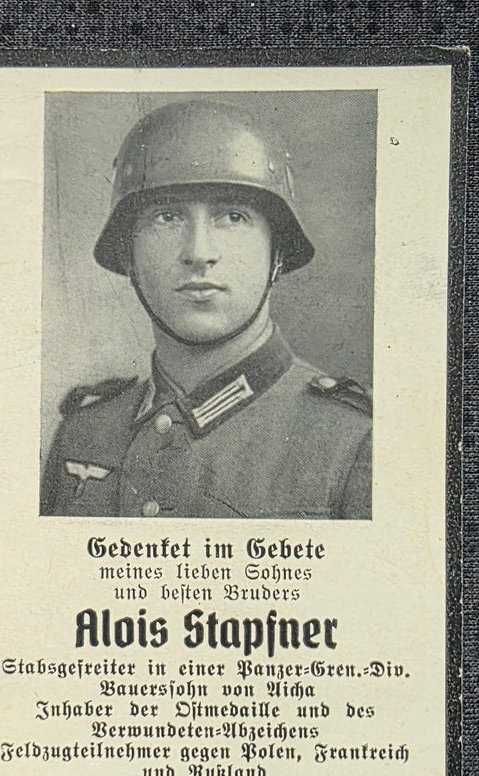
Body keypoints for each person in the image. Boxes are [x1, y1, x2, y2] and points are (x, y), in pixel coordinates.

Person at [41, 99, 371, 519]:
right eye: (167, 217)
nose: (199, 253)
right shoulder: (84, 433)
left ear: (277, 253)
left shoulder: (354, 440)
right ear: (128, 255)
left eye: (233, 217)